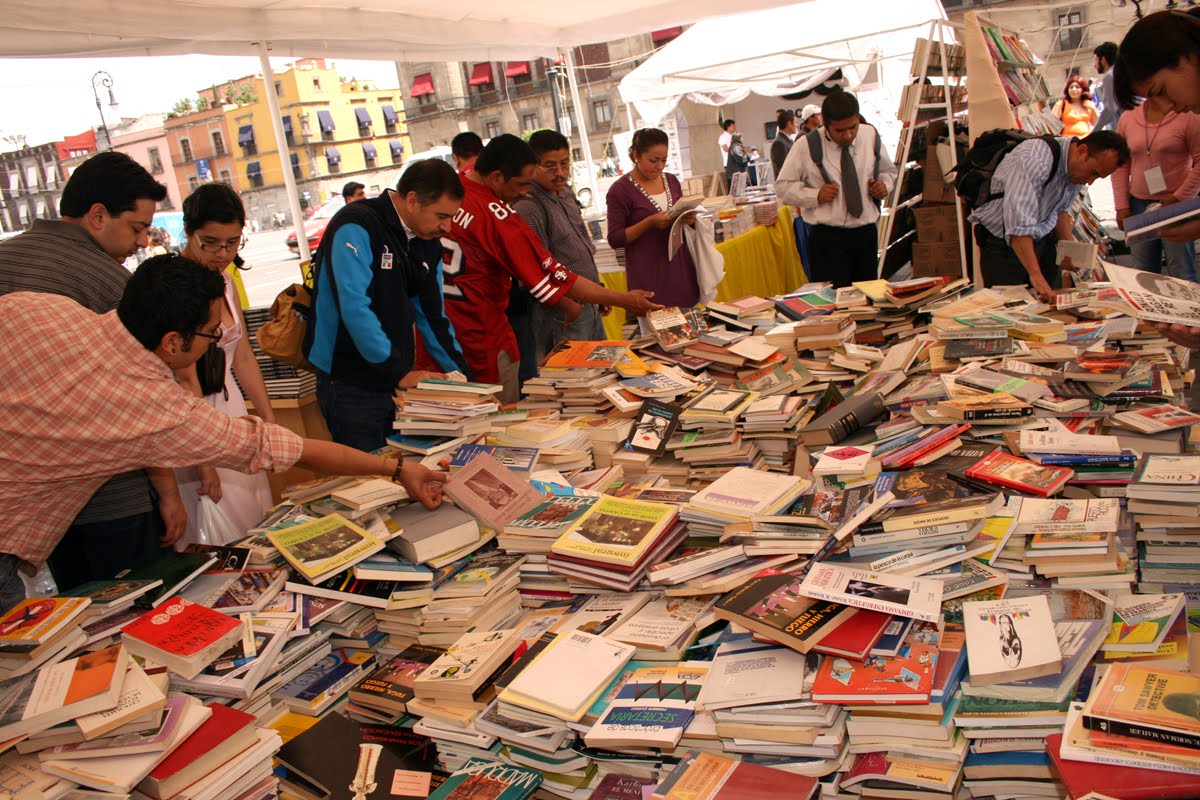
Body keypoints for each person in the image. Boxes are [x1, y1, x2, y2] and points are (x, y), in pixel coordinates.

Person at [0, 255, 447, 613]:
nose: (216, 344)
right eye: (212, 336)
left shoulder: (39, 308)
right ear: (174, 342)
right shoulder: (157, 407)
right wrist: (395, 468)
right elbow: (289, 450)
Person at [0, 151, 186, 592]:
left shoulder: (5, 259)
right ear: (98, 215)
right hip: (110, 494)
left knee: (71, 616)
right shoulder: (108, 281)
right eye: (138, 228)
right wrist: (169, 493)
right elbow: (146, 401)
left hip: (29, 505)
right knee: (135, 607)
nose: (142, 242)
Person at [430, 134, 661, 402]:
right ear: (496, 177)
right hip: (482, 338)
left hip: (440, 337)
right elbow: (556, 275)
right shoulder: (500, 216)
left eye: (565, 164)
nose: (523, 192)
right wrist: (624, 299)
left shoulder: (452, 193)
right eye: (521, 184)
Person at [307, 160, 471, 452]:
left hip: (395, 378)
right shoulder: (356, 224)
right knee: (369, 474)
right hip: (349, 381)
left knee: (406, 467)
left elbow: (433, 317)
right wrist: (398, 372)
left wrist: (467, 383)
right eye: (441, 216)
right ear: (412, 200)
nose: (446, 228)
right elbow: (355, 308)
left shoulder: (427, 242)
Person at [171, 184, 276, 545]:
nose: (223, 253)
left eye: (232, 243)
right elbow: (185, 379)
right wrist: (205, 461)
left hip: (232, 410)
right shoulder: (176, 285)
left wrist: (267, 417)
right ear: (189, 232)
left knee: (255, 518)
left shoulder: (226, 281)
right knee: (219, 530)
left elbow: (243, 355)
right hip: (194, 416)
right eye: (211, 242)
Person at [967, 129, 1128, 302]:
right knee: (1013, 314)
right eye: (1094, 173)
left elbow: (1060, 210)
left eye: (1098, 177)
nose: (1090, 181)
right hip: (1004, 249)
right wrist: (1035, 274)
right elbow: (1018, 226)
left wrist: (1068, 247)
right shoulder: (1035, 159)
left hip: (1041, 243)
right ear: (1081, 151)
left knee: (1052, 310)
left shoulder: (1074, 168)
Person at [775, 91, 897, 287]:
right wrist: (815, 195)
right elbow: (782, 187)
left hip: (865, 234)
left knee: (867, 302)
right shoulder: (806, 145)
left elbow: (889, 171)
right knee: (831, 307)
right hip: (826, 239)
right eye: (839, 131)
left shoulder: (870, 135)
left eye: (853, 128)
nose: (848, 135)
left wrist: (884, 185)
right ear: (825, 123)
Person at [511, 130, 607, 363]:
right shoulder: (529, 207)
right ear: (533, 166)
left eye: (565, 164)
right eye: (550, 166)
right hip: (563, 312)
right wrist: (569, 306)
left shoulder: (565, 194)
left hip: (589, 302)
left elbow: (582, 248)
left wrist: (598, 289)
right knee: (571, 381)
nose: (560, 173)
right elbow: (535, 272)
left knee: (601, 371)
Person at [606, 127, 701, 308]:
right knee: (658, 330)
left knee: (691, 327)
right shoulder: (620, 191)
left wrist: (689, 219)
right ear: (635, 155)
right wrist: (649, 222)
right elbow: (615, 238)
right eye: (653, 160)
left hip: (679, 267)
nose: (659, 166)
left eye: (664, 160)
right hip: (648, 272)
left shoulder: (671, 181)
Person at [1112, 98, 1200, 280]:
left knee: (1181, 271)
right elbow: (1120, 165)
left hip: (1176, 207)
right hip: (1138, 205)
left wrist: (1179, 197)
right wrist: (1121, 206)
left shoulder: (1187, 116)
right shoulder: (1128, 117)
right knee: (1143, 273)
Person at [1093, 41, 1121, 132]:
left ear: (1103, 60)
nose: (1094, 65)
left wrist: (1095, 132)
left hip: (1121, 127)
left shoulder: (1109, 76)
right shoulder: (1120, 72)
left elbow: (1110, 109)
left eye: (1096, 60)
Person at [770, 109, 799, 177]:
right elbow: (783, 169)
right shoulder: (779, 143)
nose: (797, 125)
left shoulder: (787, 140)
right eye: (795, 122)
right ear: (789, 124)